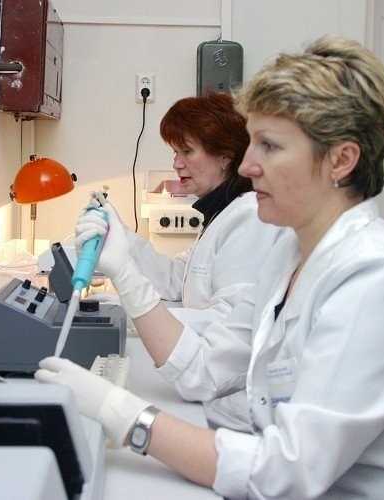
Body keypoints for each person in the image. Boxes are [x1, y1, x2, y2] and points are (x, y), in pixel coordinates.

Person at [37, 34, 384, 498]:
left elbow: (288, 472)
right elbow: (203, 371)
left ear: (341, 160)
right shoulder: (289, 256)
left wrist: (124, 415)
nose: (246, 166)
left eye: (269, 146)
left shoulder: (378, 275)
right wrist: (126, 273)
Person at [79, 92, 285, 431]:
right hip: (205, 391)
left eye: (186, 151)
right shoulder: (220, 214)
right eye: (175, 152)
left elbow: (224, 320)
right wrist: (121, 236)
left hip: (228, 405)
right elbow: (178, 280)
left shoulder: (249, 217)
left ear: (226, 157)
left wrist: (133, 314)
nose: (176, 163)